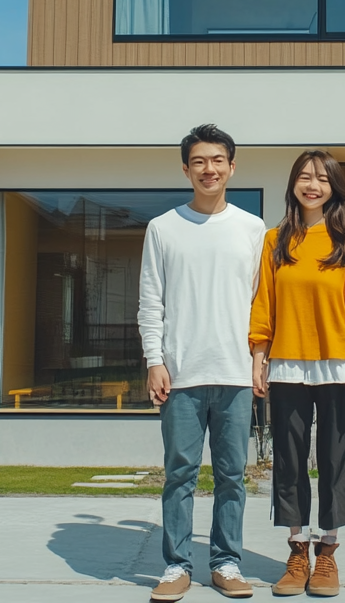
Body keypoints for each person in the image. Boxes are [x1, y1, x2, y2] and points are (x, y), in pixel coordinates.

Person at [138, 124, 266, 602]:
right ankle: (176, 566)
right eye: (199, 161)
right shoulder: (162, 228)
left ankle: (226, 562)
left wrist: (259, 359)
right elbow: (151, 301)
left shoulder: (253, 229)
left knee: (233, 475)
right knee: (179, 474)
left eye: (217, 160)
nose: (208, 169)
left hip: (235, 374)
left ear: (232, 167)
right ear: (186, 168)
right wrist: (155, 360)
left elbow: (261, 304)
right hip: (181, 374)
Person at [249, 150, 345, 598]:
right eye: (305, 177)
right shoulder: (275, 240)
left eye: (322, 179)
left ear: (332, 188)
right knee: (288, 460)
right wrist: (258, 358)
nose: (313, 185)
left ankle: (327, 554)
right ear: (293, 184)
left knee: (335, 460)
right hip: (286, 364)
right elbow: (263, 304)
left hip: (339, 365)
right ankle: (297, 549)